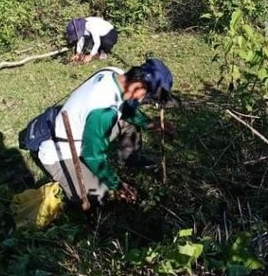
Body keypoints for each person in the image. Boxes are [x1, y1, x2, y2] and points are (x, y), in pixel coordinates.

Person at [24, 59, 176, 207]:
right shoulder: (103, 111)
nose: (145, 101)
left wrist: (151, 124)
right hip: (60, 154)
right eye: (148, 97)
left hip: (83, 132)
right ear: (140, 86)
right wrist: (117, 185)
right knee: (99, 195)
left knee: (128, 121)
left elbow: (127, 110)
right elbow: (93, 155)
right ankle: (74, 191)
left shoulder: (114, 73)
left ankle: (132, 160)